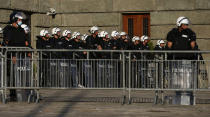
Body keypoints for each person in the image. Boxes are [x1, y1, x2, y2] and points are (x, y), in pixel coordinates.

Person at [3, 12, 30, 101]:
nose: (21, 21)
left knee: (22, 74)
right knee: (12, 75)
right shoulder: (8, 29)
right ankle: (13, 94)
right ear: (14, 19)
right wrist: (13, 55)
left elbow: (25, 41)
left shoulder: (21, 30)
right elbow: (7, 43)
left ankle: (24, 93)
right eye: (19, 20)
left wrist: (29, 51)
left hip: (22, 55)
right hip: (12, 56)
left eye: (21, 20)